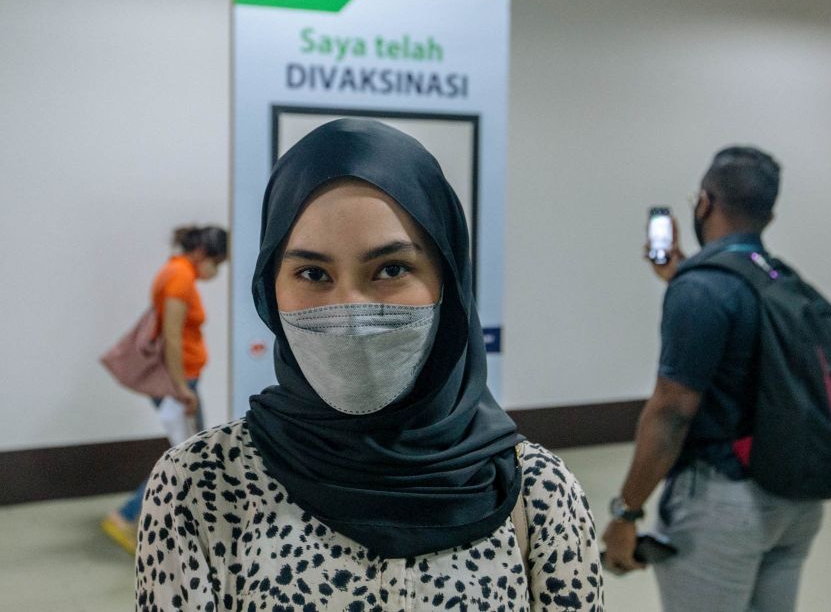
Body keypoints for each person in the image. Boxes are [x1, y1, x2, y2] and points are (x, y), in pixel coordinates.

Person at [135, 119, 603, 610]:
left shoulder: (539, 493)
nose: (352, 313)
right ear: (271, 289)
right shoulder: (198, 485)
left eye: (391, 269)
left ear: (448, 281)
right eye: (312, 273)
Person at [603, 147, 824, 611]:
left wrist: (626, 511)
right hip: (797, 502)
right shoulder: (782, 278)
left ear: (704, 202)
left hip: (725, 505)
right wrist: (682, 276)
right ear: (769, 214)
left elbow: (671, 413)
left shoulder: (702, 288)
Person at [101, 225, 228, 554]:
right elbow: (171, 336)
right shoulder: (179, 277)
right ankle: (127, 515)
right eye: (219, 262)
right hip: (179, 382)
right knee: (187, 458)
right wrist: (180, 388)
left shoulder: (178, 273)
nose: (218, 270)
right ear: (204, 254)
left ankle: (180, 523)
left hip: (182, 380)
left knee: (189, 456)